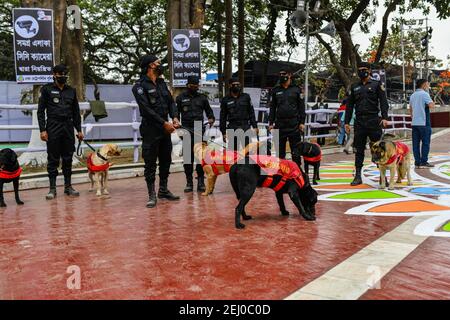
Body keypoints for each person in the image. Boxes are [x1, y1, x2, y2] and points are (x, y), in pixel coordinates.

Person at [132, 54, 181, 208]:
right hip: (151, 129)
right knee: (150, 163)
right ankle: (151, 194)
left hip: (166, 128)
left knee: (166, 160)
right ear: (151, 66)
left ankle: (163, 189)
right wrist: (163, 123)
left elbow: (171, 102)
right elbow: (146, 109)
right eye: (158, 63)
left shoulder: (161, 84)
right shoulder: (139, 86)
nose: (161, 65)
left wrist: (174, 117)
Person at [38, 64, 84, 200]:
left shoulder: (71, 91)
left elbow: (76, 112)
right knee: (53, 158)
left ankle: (68, 186)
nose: (63, 77)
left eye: (65, 74)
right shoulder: (46, 89)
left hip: (68, 126)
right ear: (54, 75)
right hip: (53, 125)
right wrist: (42, 130)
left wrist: (79, 130)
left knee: (68, 157)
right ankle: (52, 189)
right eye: (60, 74)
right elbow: (41, 111)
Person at [345, 62, 389, 186]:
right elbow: (349, 106)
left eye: (364, 69)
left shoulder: (377, 84)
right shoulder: (354, 87)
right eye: (359, 69)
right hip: (360, 122)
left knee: (379, 149)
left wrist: (385, 117)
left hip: (374, 120)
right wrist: (347, 122)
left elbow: (383, 102)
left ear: (369, 71)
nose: (361, 72)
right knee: (359, 150)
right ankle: (358, 176)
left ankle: (382, 176)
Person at [176, 75, 215, 193]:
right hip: (186, 129)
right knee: (188, 158)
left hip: (199, 129)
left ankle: (201, 182)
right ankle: (189, 182)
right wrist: (176, 122)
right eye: (192, 86)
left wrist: (211, 118)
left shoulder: (202, 98)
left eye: (196, 86)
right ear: (187, 85)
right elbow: (176, 114)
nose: (195, 88)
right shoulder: (180, 98)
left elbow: (209, 112)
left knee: (200, 158)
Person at [268, 68, 305, 167]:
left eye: (284, 74)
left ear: (289, 75)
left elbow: (301, 107)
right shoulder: (275, 90)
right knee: (280, 153)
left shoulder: (297, 89)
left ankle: (298, 172)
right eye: (280, 74)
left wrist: (302, 122)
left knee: (295, 151)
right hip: (279, 124)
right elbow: (272, 108)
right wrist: (271, 123)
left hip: (294, 124)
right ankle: (281, 173)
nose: (282, 76)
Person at [220, 78, 258, 151]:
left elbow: (251, 112)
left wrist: (255, 126)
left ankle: (247, 162)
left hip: (245, 126)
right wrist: (223, 132)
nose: (237, 86)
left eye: (238, 84)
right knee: (233, 153)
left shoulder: (246, 97)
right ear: (230, 85)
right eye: (234, 84)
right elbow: (223, 117)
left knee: (247, 151)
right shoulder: (225, 100)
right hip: (232, 127)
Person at [409, 79, 435, 169]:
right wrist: (430, 103)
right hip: (424, 122)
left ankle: (417, 163)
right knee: (425, 143)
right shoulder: (424, 94)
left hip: (414, 123)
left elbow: (411, 109)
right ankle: (424, 162)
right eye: (427, 84)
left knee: (415, 144)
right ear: (424, 85)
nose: (428, 86)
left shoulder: (412, 95)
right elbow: (432, 106)